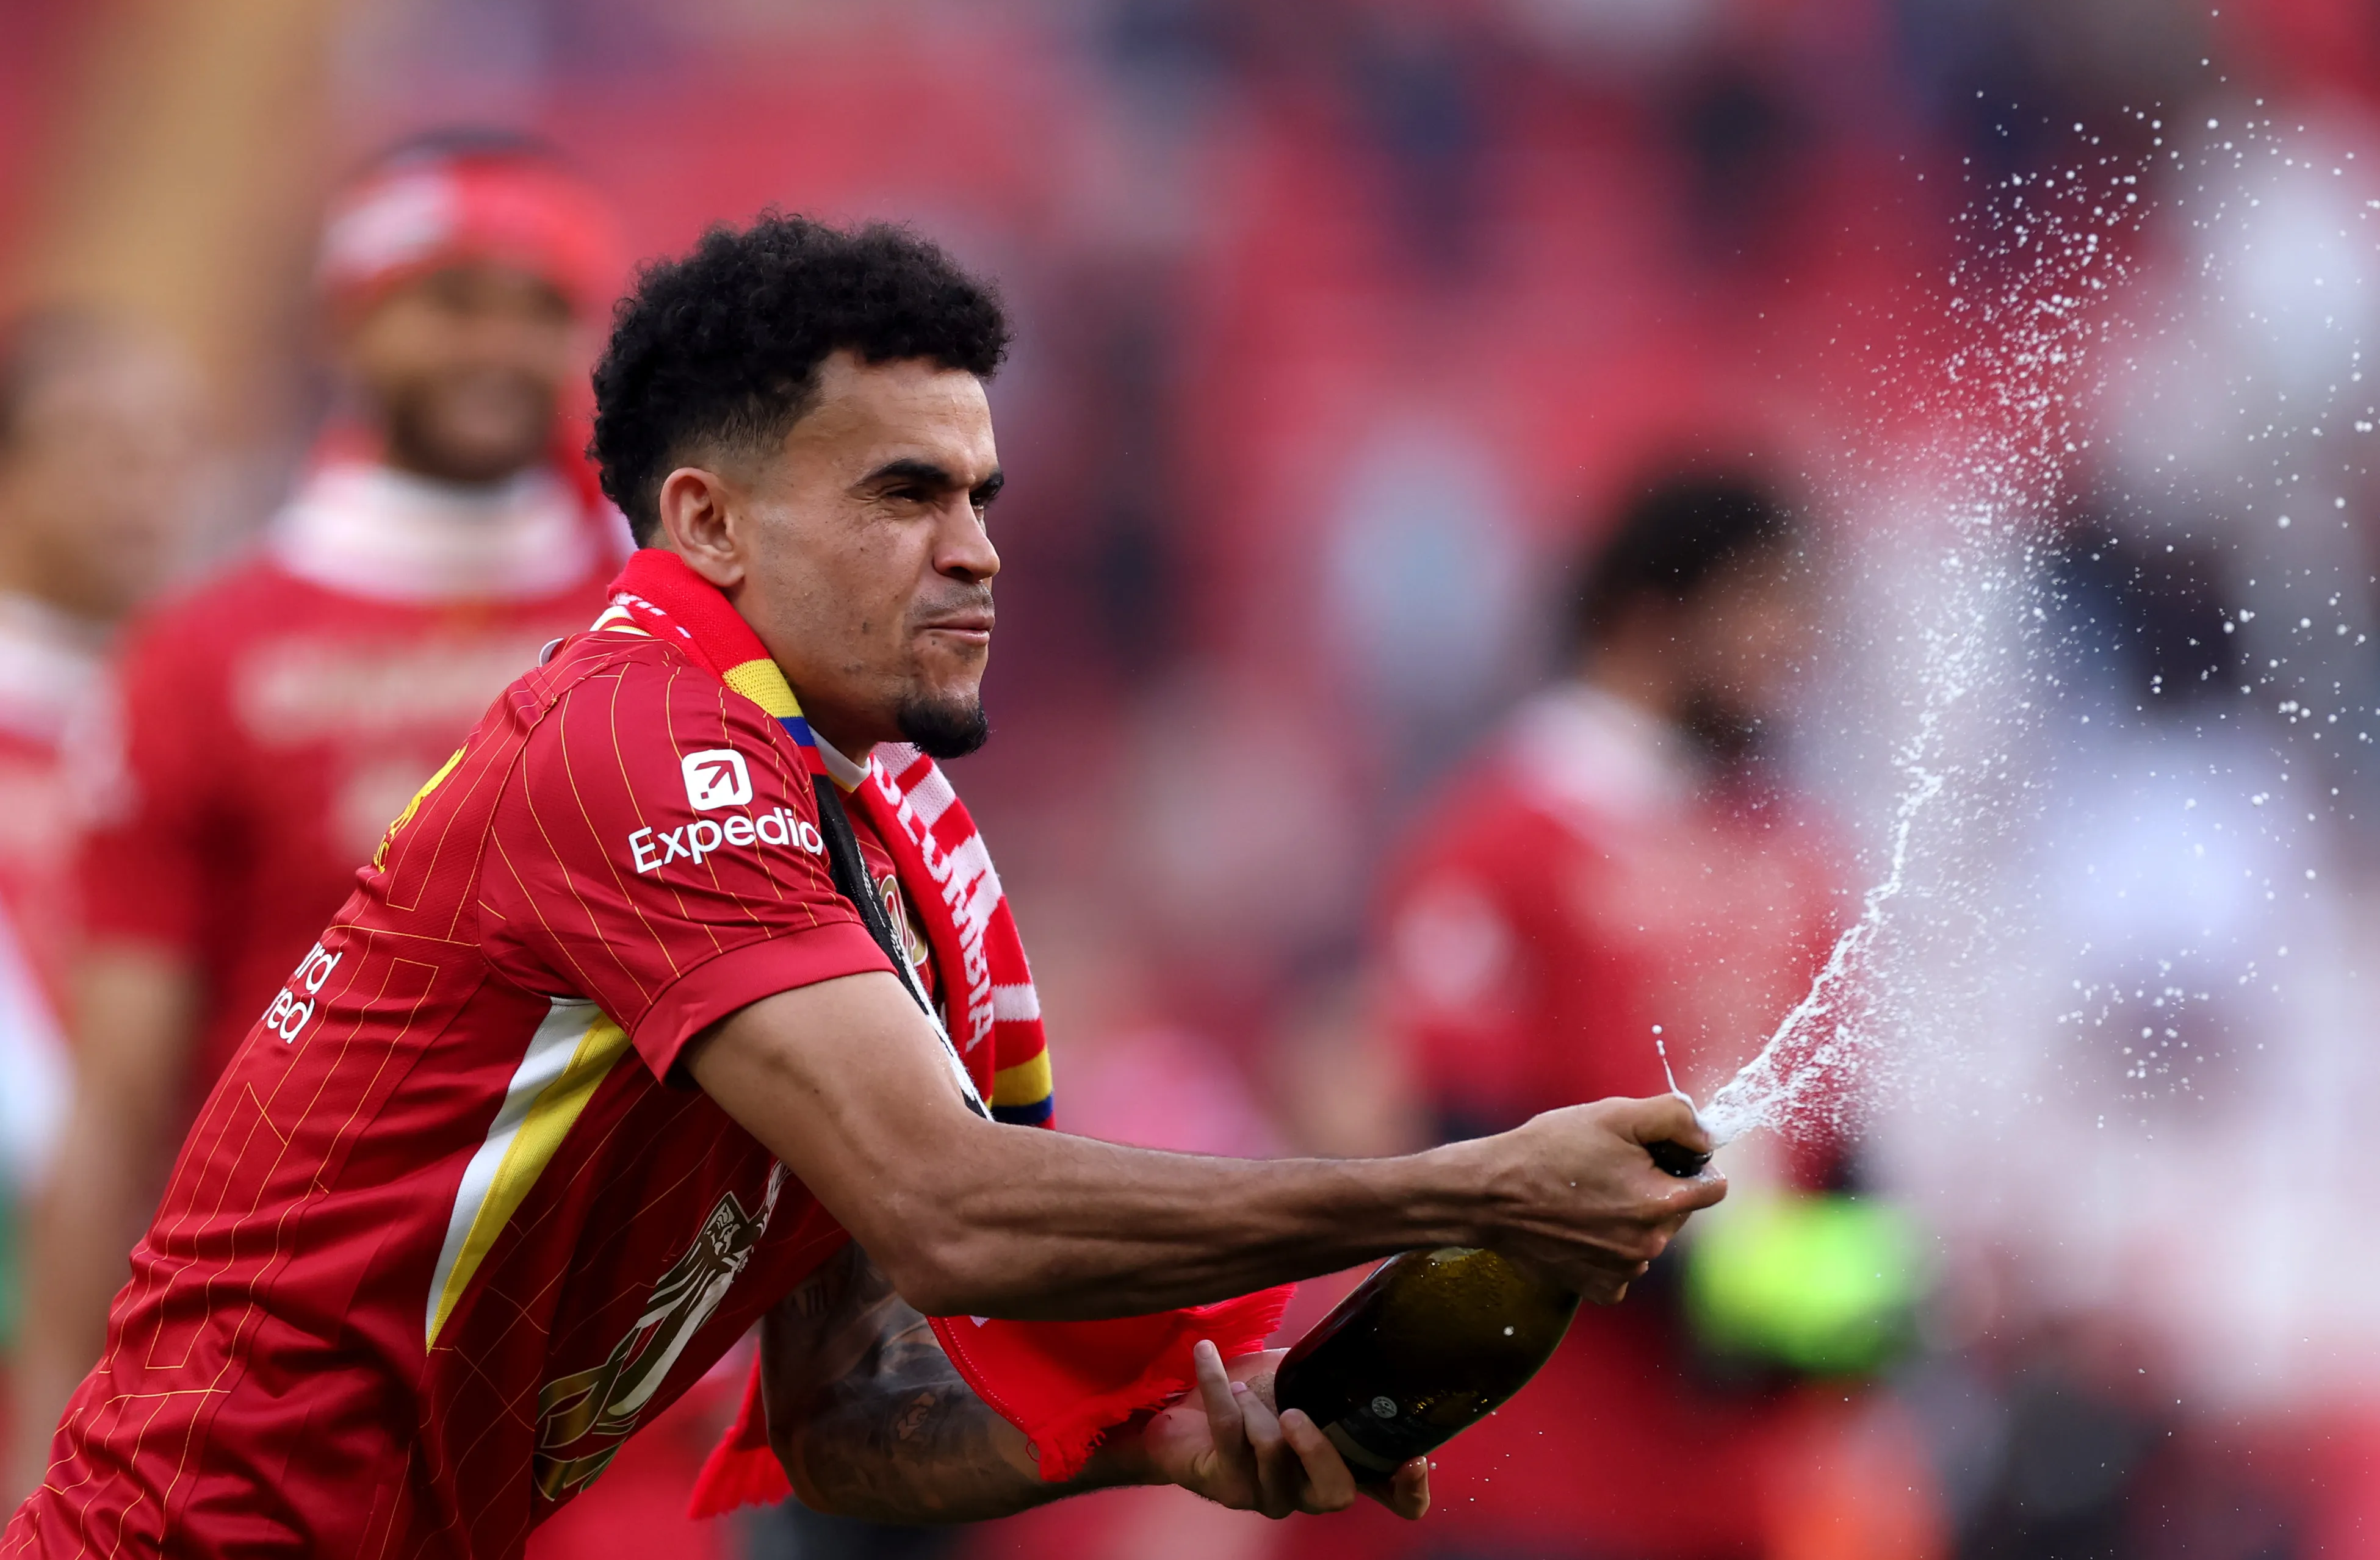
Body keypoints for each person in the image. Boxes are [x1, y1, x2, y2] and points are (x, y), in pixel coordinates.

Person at [4, 214, 1723, 1559]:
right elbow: (948, 1206)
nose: (974, 545)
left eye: (981, 491)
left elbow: (844, 1404)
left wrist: (1144, 1442)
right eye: (903, 492)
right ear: (709, 526)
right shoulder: (640, 751)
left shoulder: (874, 839)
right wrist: (1469, 1187)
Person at [7, 134, 625, 1500]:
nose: (498, 346)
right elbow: (118, 1099)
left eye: (541, 308)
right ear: (352, 319)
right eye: (453, 298)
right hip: (290, 1397)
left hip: (605, 1406)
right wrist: (48, 1429)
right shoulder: (204, 654)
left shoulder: (661, 627)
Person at [1333, 474, 1928, 1559]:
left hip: (1753, 1496)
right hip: (1550, 1490)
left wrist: (1871, 1303)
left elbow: (1834, 1143)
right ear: (1653, 614)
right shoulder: (1496, 841)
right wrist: (1704, 1292)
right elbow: (1466, 1148)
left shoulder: (1795, 851)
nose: (1792, 650)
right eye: (1764, 609)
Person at [0, 312, 197, 1479]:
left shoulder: (209, 705)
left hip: (176, 1272)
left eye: (174, 448)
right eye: (101, 444)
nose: (146, 485)